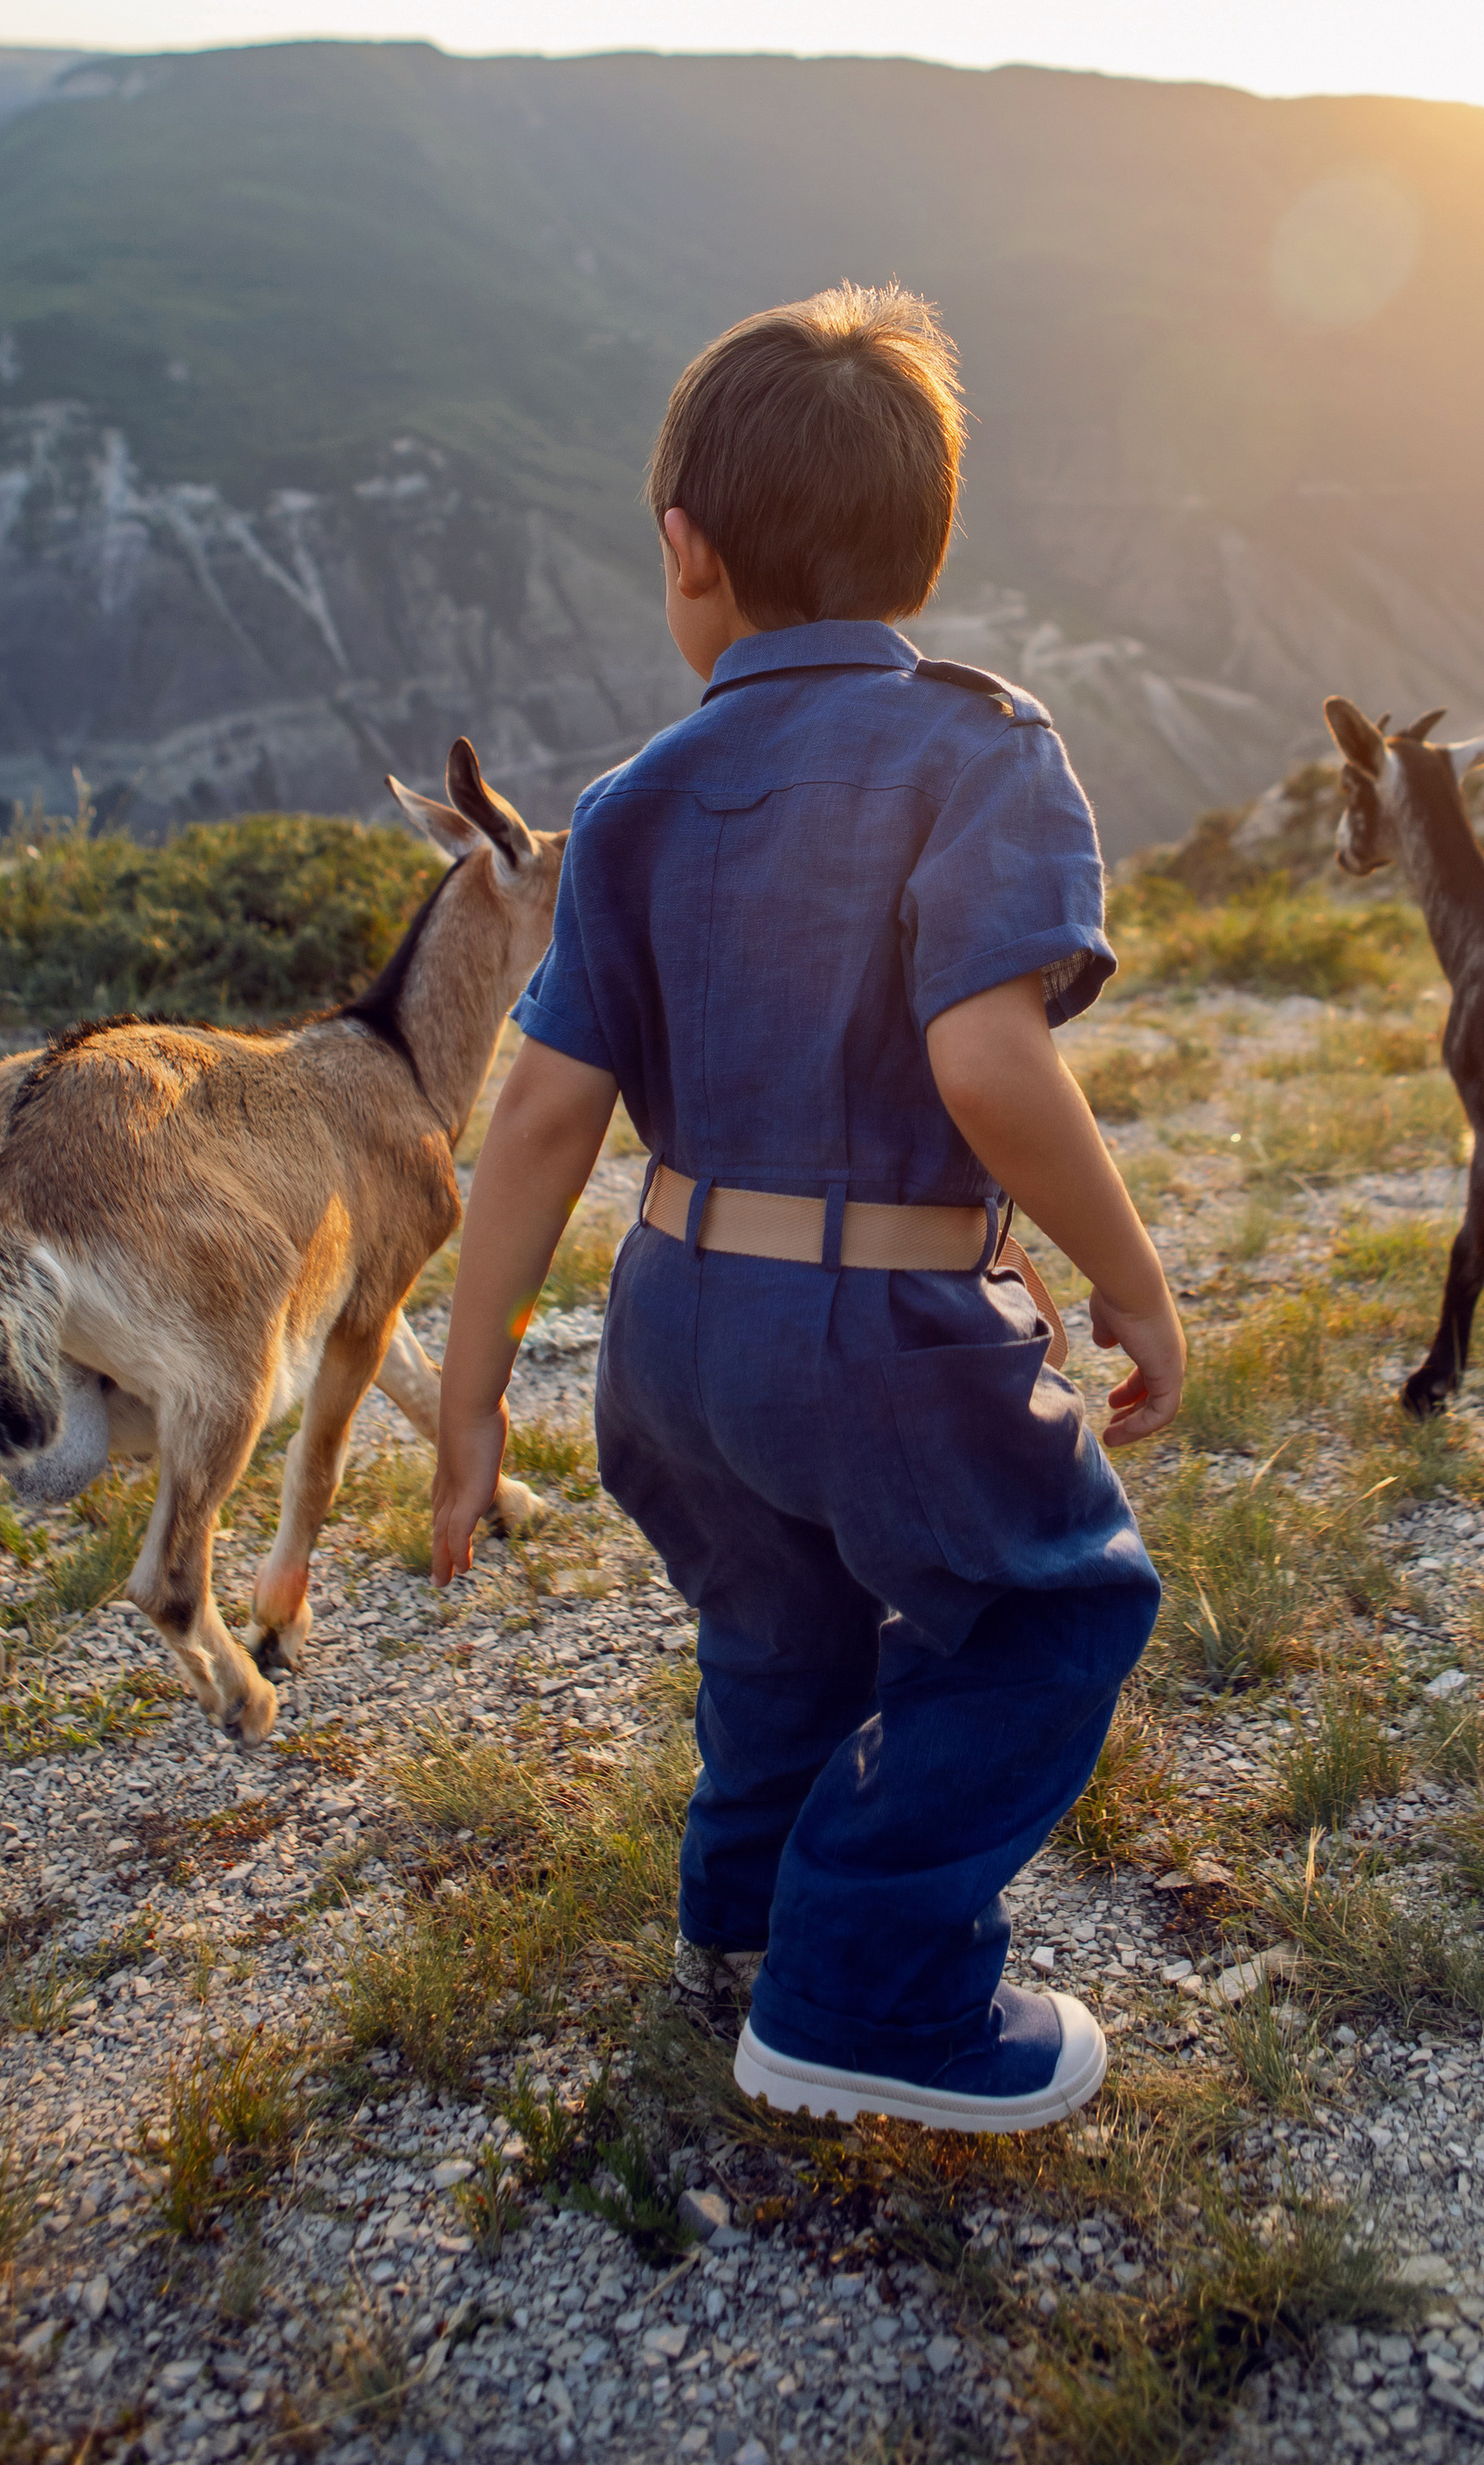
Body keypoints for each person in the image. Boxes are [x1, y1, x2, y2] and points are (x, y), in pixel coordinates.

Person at [430, 281, 1184, 2133]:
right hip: (885, 1331)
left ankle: (743, 1938)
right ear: (923, 547)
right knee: (1047, 1617)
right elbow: (990, 1069)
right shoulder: (979, 751)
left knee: (777, 1634)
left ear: (685, 550)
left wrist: (464, 1399)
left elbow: (534, 1119)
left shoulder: (628, 801)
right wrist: (1133, 1287)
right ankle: (869, 1998)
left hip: (675, 1335)